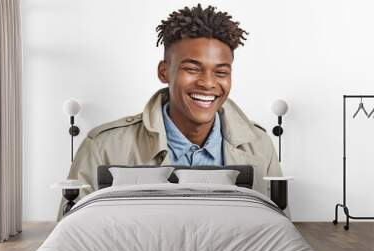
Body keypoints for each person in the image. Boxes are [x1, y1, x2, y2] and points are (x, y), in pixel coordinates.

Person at [57, 4, 282, 220]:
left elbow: (280, 231)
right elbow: (68, 237)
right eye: (192, 69)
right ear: (164, 72)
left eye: (221, 72)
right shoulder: (102, 147)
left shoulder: (260, 146)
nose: (208, 83)